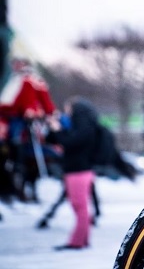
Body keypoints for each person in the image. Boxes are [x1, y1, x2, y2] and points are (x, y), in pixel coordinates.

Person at [45, 97, 99, 250]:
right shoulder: (81, 125)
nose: (66, 112)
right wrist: (55, 128)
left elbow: (70, 143)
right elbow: (54, 140)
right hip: (79, 171)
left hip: (78, 171)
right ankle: (83, 239)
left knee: (79, 206)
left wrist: (58, 130)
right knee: (81, 206)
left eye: (68, 108)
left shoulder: (84, 126)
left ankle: (76, 241)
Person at [0, 57, 57, 202]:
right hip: (9, 116)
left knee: (17, 141)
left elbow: (45, 100)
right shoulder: (13, 80)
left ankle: (17, 154)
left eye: (19, 63)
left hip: (24, 118)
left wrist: (48, 113)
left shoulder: (33, 80)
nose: (16, 66)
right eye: (15, 63)